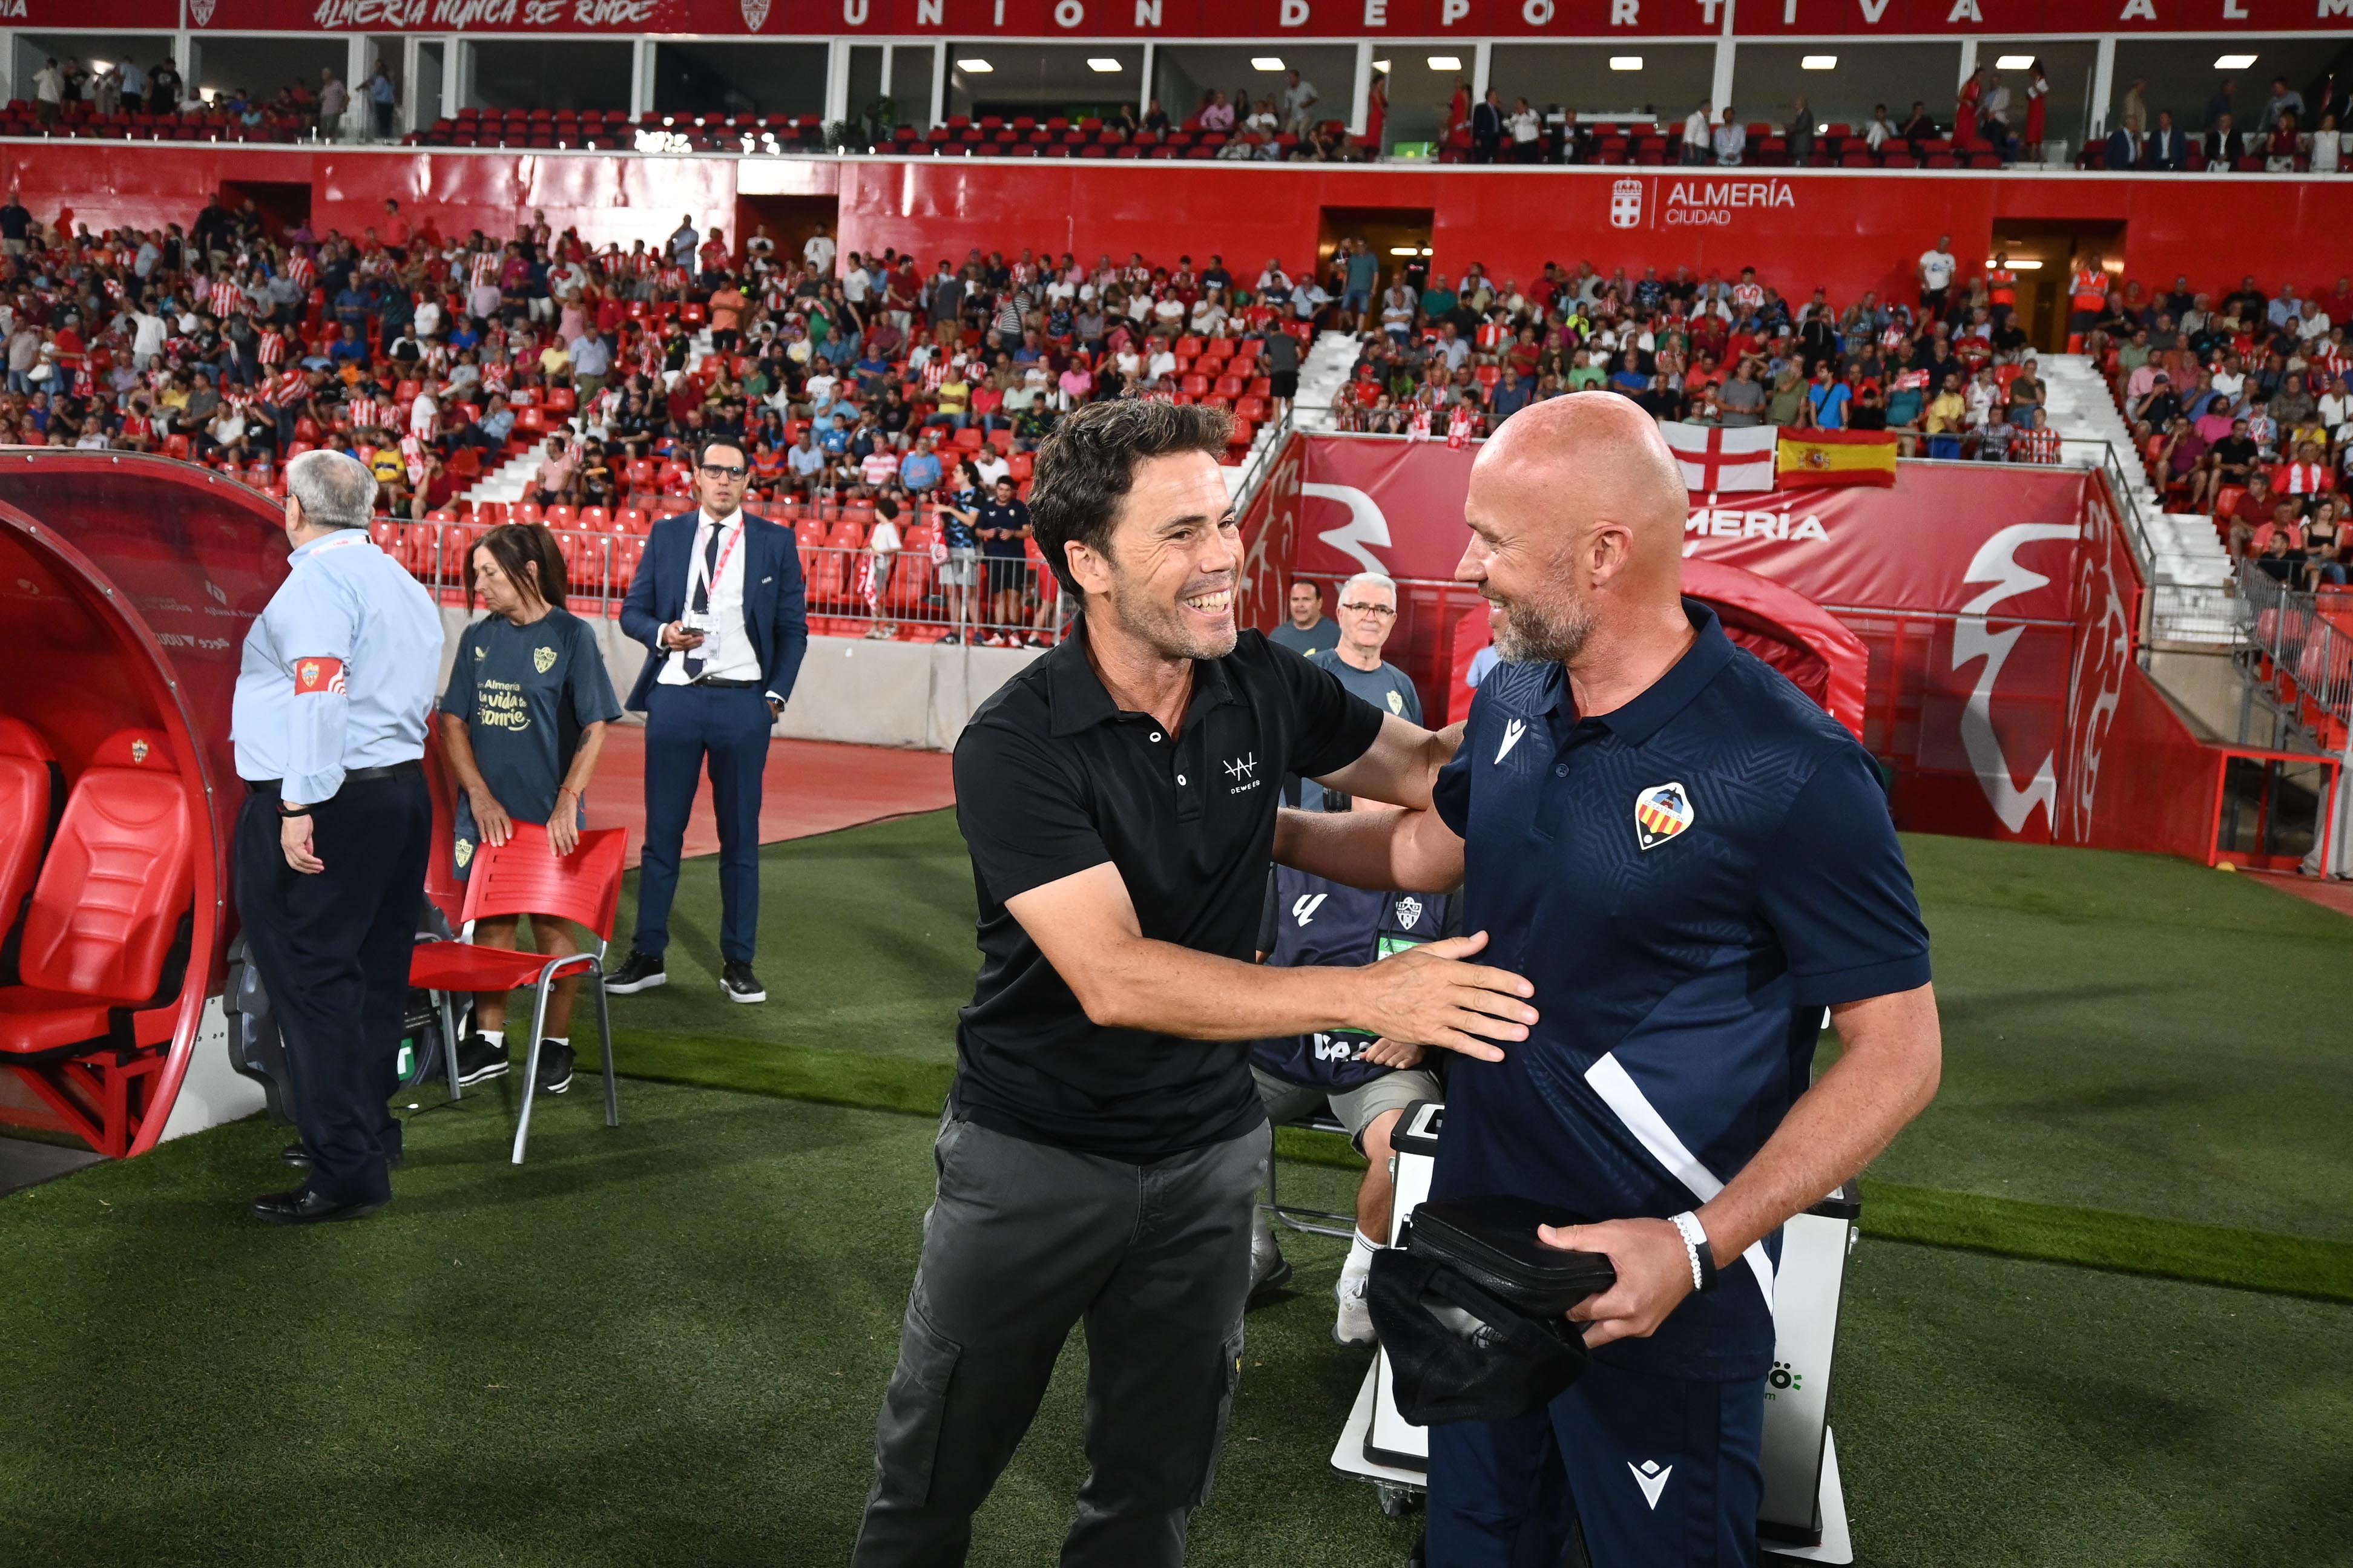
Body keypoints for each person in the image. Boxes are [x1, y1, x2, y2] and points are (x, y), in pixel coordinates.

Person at [850, 397, 1535, 1567]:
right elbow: (1113, 977)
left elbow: (1420, 771)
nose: (1223, 556)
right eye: (1180, 533)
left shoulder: (1254, 680)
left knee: (1152, 1496)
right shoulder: (1015, 746)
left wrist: (1559, 703)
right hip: (1031, 1159)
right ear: (1086, 563)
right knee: (930, 1484)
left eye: (1223, 522)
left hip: (1208, 1158)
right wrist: (1375, 995)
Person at [1275, 392, 1940, 1568]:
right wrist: (1256, 828)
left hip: (1654, 1296)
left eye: (1492, 539)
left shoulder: (1787, 766)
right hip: (1474, 1266)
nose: (1464, 563)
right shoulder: (1514, 692)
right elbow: (1431, 846)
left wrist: (1693, 1242)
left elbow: (1898, 1051)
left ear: (1603, 553)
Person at [231, 449, 443, 1224]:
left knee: (313, 980)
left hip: (329, 796)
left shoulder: (317, 581)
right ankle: (367, 1131)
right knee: (376, 967)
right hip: (397, 792)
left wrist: (298, 806)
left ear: (293, 507)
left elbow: (317, 693)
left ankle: (344, 1166)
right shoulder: (403, 580)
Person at [606, 438, 810, 1004]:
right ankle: (648, 953)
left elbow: (794, 629)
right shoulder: (668, 535)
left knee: (740, 838)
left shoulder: (774, 541)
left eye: (735, 472)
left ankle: (738, 960)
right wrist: (661, 634)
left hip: (743, 703)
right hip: (674, 696)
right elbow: (632, 612)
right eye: (714, 470)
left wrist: (773, 699)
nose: (724, 480)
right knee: (661, 835)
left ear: (748, 482)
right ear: (695, 476)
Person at [435, 523, 623, 1096]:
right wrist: (479, 793)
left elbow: (594, 726)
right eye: (476, 573)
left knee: (549, 925)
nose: (479, 584)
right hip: (487, 813)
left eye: (490, 572)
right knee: (489, 925)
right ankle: (489, 1043)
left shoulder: (572, 637)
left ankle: (554, 1044)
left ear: (530, 570)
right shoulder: (477, 639)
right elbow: (452, 721)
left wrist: (568, 801)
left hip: (549, 817)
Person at [976, 474, 1032, 646]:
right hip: (994, 558)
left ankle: (1015, 632)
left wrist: (1012, 533)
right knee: (999, 596)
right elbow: (978, 531)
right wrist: (988, 533)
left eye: (1007, 490)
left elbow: (1027, 532)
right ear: (997, 489)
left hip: (1015, 558)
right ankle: (999, 632)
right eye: (1001, 489)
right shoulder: (988, 508)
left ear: (1012, 492)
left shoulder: (1020, 508)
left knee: (1014, 595)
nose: (1003, 493)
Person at [1269, 577, 1340, 658]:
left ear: (1319, 603)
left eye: (1306, 599)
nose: (1300, 605)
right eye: (1295, 599)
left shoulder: (1337, 636)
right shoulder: (1277, 636)